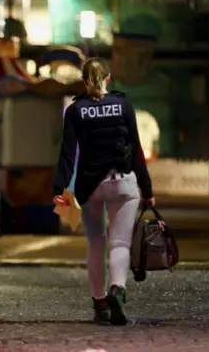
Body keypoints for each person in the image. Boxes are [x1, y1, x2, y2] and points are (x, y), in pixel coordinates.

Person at [52, 58, 154, 326]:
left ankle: (99, 304)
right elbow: (136, 147)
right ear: (107, 78)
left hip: (91, 185)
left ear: (84, 81)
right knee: (120, 243)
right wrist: (148, 188)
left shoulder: (76, 110)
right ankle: (117, 291)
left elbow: (67, 152)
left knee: (96, 242)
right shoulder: (123, 104)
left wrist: (59, 187)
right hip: (122, 182)